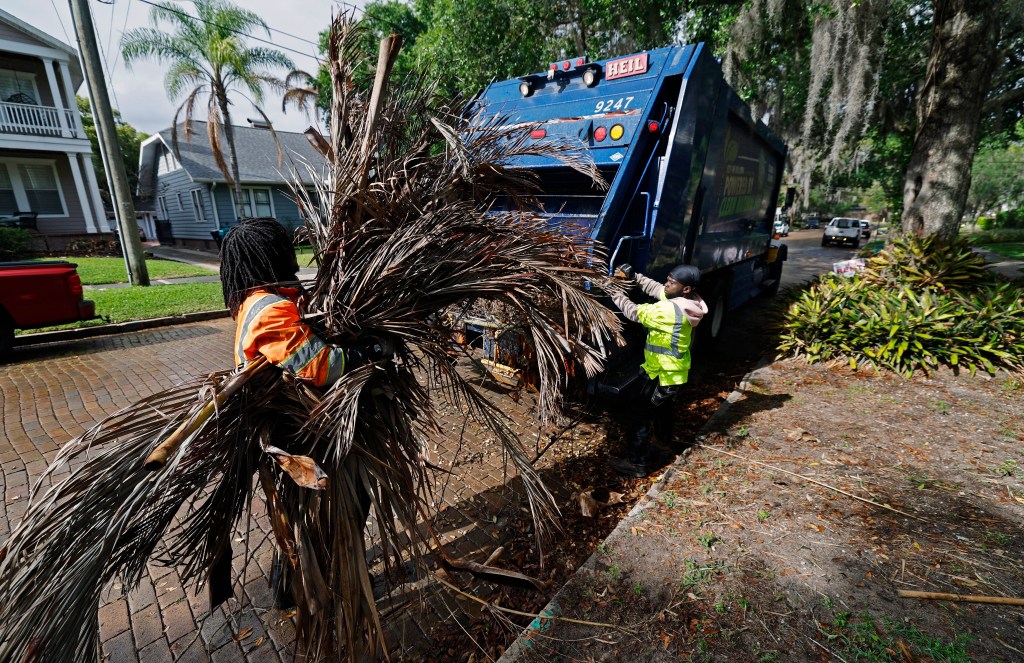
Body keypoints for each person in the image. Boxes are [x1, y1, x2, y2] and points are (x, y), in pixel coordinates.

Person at [219, 216, 389, 606]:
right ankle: (317, 585)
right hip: (296, 432)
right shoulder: (269, 311)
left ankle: (288, 589)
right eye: (283, 250)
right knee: (340, 505)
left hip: (289, 428)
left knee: (302, 516)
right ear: (270, 256)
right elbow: (320, 366)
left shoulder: (253, 298)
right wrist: (371, 352)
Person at [607, 263, 708, 478]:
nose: (666, 284)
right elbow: (656, 289)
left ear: (686, 288)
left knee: (639, 414)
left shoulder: (669, 310)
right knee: (663, 410)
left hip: (662, 373)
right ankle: (662, 447)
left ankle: (637, 464)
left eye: (671, 282)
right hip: (672, 373)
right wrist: (636, 275)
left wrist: (613, 290)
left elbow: (633, 312)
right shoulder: (687, 302)